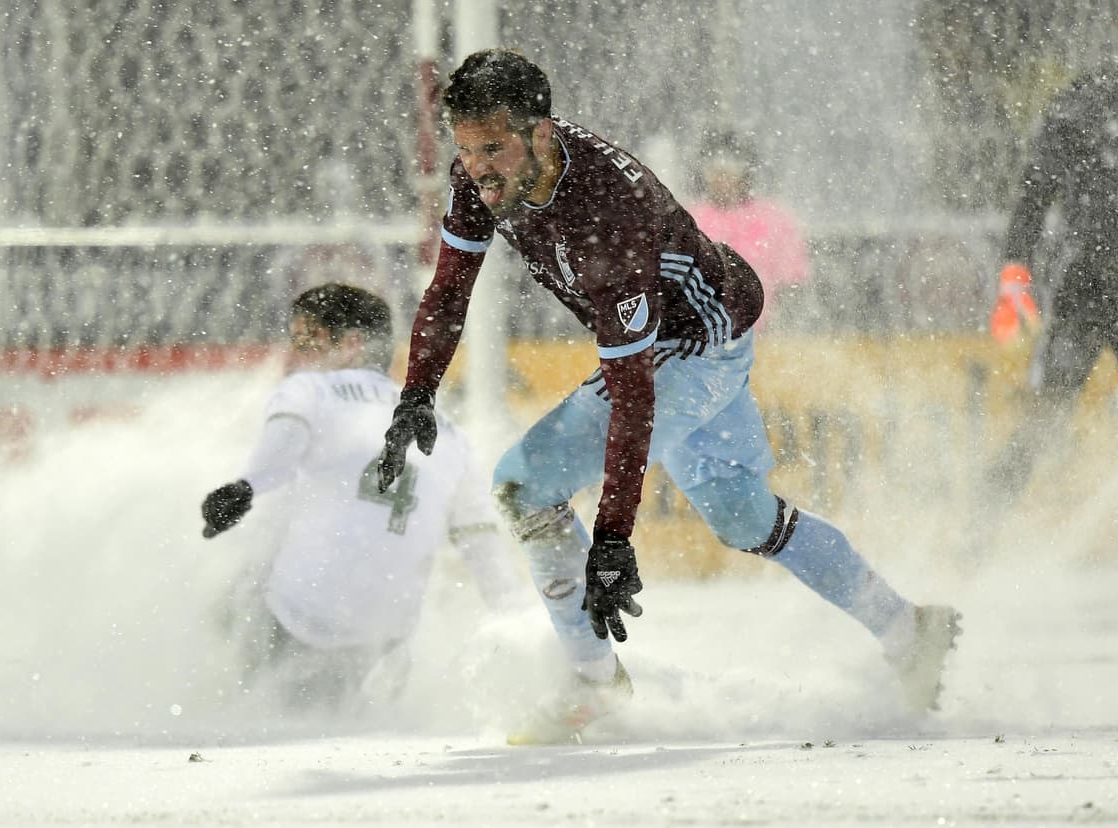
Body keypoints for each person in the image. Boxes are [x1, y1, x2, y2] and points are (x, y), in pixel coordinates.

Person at [375, 49, 961, 744]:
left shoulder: (607, 214)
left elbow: (634, 394)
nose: (477, 167)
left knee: (522, 486)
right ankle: (906, 626)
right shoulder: (486, 180)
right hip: (705, 326)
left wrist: (615, 539)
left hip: (693, 346)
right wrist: (415, 394)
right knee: (744, 518)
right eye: (465, 148)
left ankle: (593, 685)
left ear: (540, 132)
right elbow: (447, 294)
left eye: (492, 148)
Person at [200, 282, 519, 711]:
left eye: (306, 341)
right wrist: (519, 622)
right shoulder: (448, 431)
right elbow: (481, 541)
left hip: (299, 617)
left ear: (352, 344)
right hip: (384, 637)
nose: (295, 356)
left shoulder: (309, 391)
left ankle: (220, 704)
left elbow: (280, 450)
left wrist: (247, 486)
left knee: (247, 565)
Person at [983, 55, 1118, 512]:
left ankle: (972, 540)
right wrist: (1014, 273)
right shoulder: (1085, 101)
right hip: (1087, 282)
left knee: (1046, 416)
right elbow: (1034, 194)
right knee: (1045, 418)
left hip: (1087, 274)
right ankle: (972, 543)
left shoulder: (1082, 100)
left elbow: (1033, 195)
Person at [685, 128, 810, 331]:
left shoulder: (776, 221)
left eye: (732, 168)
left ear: (747, 171)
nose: (722, 177)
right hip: (704, 342)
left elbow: (795, 288)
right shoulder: (690, 220)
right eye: (713, 169)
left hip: (768, 338)